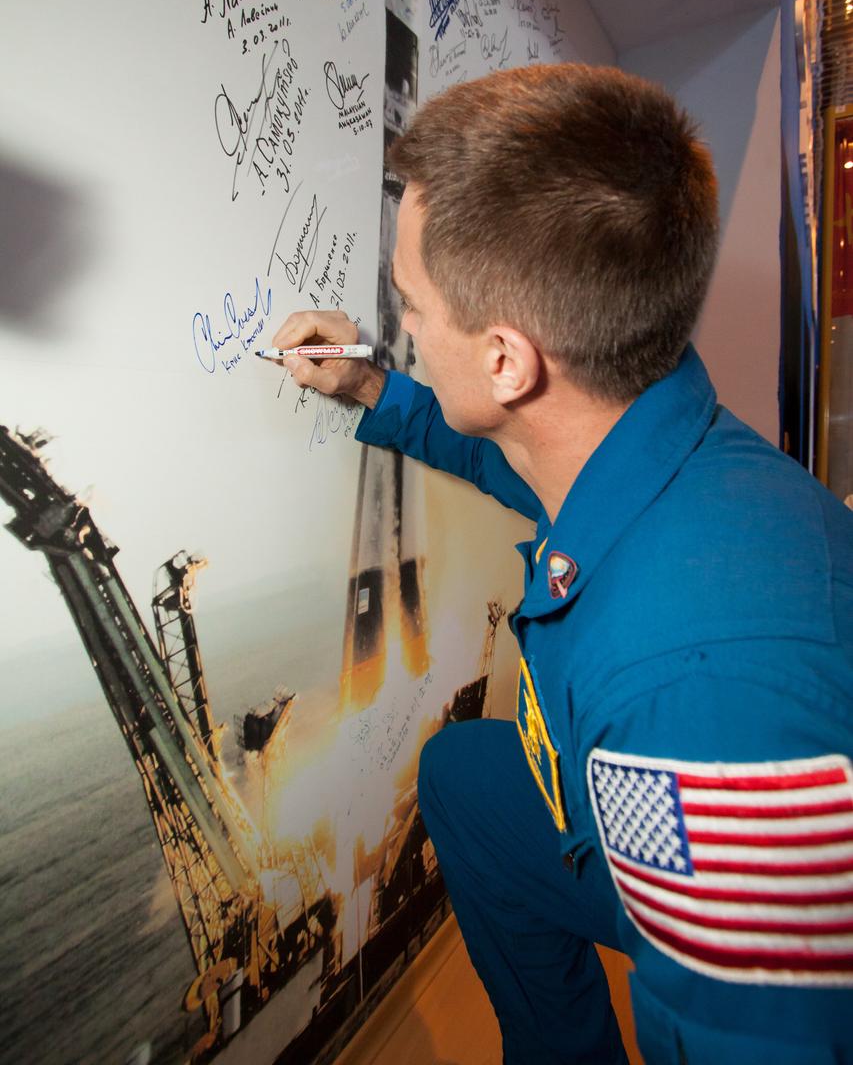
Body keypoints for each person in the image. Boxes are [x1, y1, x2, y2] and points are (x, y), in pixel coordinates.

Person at [272, 64, 853, 1064]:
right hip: (629, 786)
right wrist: (373, 384)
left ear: (507, 360)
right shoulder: (638, 429)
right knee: (461, 771)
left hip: (727, 922)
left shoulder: (702, 706)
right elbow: (508, 455)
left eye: (409, 305)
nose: (400, 324)